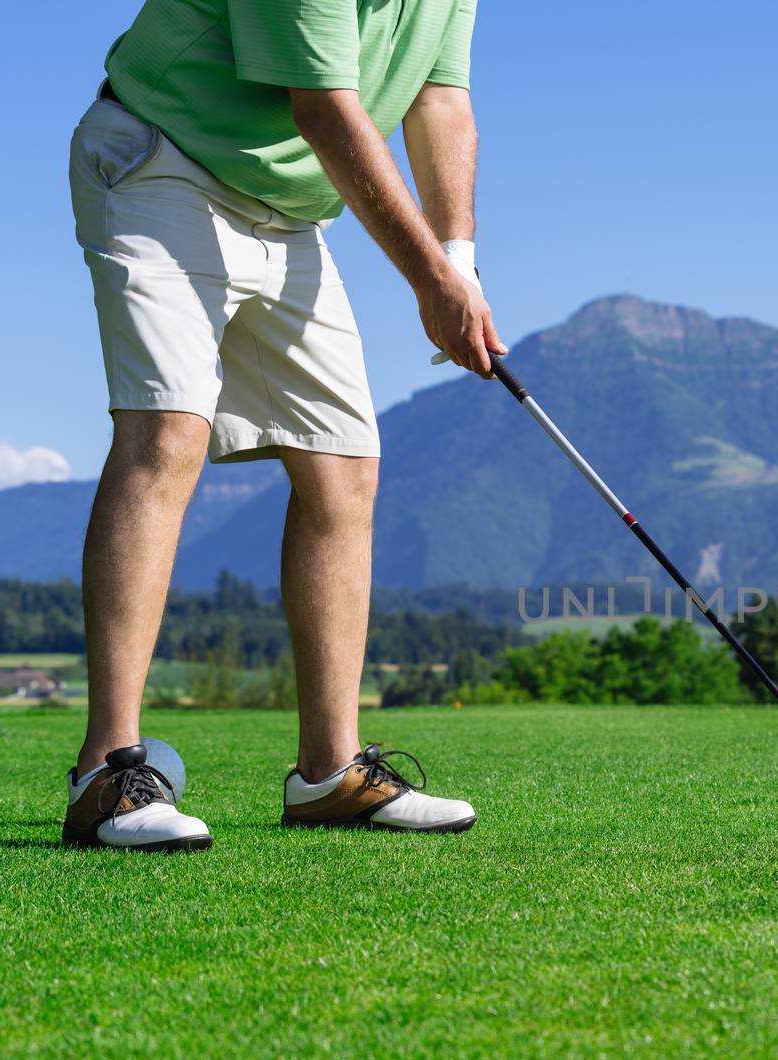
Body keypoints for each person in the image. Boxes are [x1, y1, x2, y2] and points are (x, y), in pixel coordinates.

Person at [64, 0, 505, 851]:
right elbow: (324, 106)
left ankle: (329, 774)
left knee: (345, 467)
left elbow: (439, 96)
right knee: (167, 436)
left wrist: (458, 259)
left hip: (291, 211)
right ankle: (107, 772)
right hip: (163, 162)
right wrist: (428, 284)